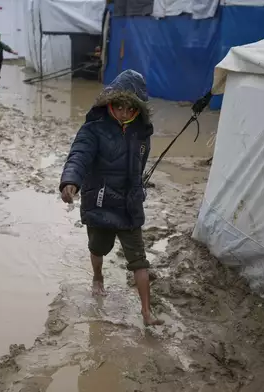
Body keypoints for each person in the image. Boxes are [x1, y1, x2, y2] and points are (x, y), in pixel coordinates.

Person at [59, 69, 164, 326]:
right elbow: (79, 155)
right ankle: (98, 277)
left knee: (139, 260)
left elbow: (139, 166)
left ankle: (147, 313)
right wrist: (70, 181)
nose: (124, 112)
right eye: (119, 106)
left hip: (129, 204)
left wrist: (138, 188)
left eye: (131, 108)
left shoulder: (142, 133)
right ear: (109, 102)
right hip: (100, 200)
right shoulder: (93, 129)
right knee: (98, 248)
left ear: (138, 108)